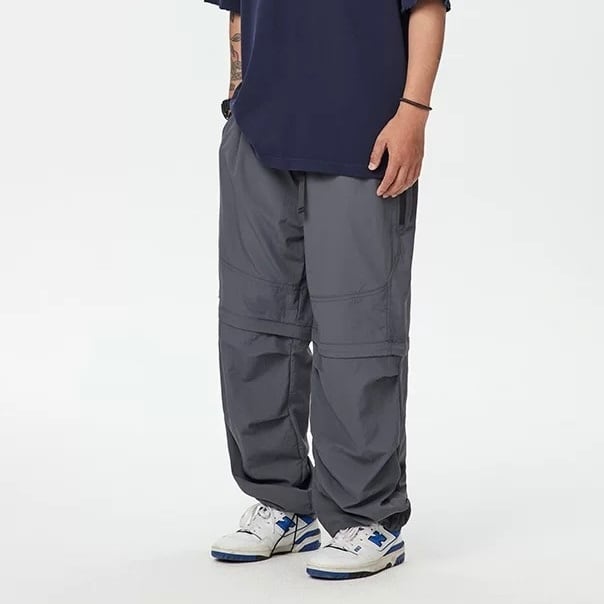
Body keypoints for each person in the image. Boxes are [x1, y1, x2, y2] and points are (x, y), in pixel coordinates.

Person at [204, 0, 449, 580]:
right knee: (254, 329)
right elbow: (237, 10)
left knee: (358, 337)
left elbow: (427, 6)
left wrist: (413, 114)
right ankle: (283, 503)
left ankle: (368, 517)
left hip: (364, 140)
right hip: (259, 138)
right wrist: (237, 98)